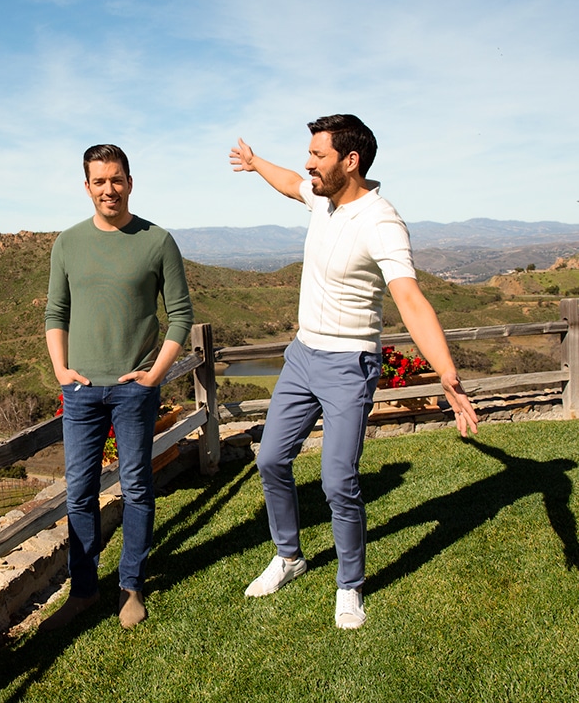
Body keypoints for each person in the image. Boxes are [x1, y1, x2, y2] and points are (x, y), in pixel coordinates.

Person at [229, 114, 479, 629]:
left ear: (350, 161)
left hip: (349, 365)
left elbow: (409, 297)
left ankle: (350, 585)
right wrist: (255, 165)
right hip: (301, 357)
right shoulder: (322, 196)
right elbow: (288, 185)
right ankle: (289, 556)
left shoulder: (382, 221)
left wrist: (446, 372)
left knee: (337, 479)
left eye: (317, 155)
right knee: (271, 460)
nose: (307, 163)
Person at [42, 144, 194, 630]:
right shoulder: (67, 243)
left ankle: (132, 585)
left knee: (136, 487)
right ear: (86, 186)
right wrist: (61, 370)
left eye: (116, 179)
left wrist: (155, 374)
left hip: (134, 389)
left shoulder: (157, 241)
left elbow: (181, 315)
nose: (109, 189)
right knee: (79, 493)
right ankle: (84, 591)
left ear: (130, 181)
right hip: (81, 390)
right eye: (99, 181)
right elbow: (55, 313)